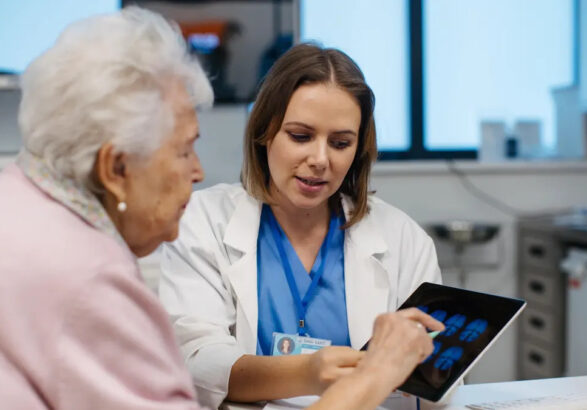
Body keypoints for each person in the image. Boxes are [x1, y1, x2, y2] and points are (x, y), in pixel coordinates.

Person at [0, 7, 444, 410]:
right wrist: (371, 375)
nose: (197, 172)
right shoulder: (90, 281)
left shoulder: (20, 209)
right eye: (184, 150)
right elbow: (198, 363)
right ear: (116, 167)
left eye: (341, 142)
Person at [159, 43, 443, 407]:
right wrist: (307, 373)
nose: (320, 159)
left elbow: (437, 377)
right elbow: (196, 363)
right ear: (265, 132)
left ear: (358, 149)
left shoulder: (403, 238)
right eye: (300, 136)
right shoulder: (204, 222)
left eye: (340, 143)